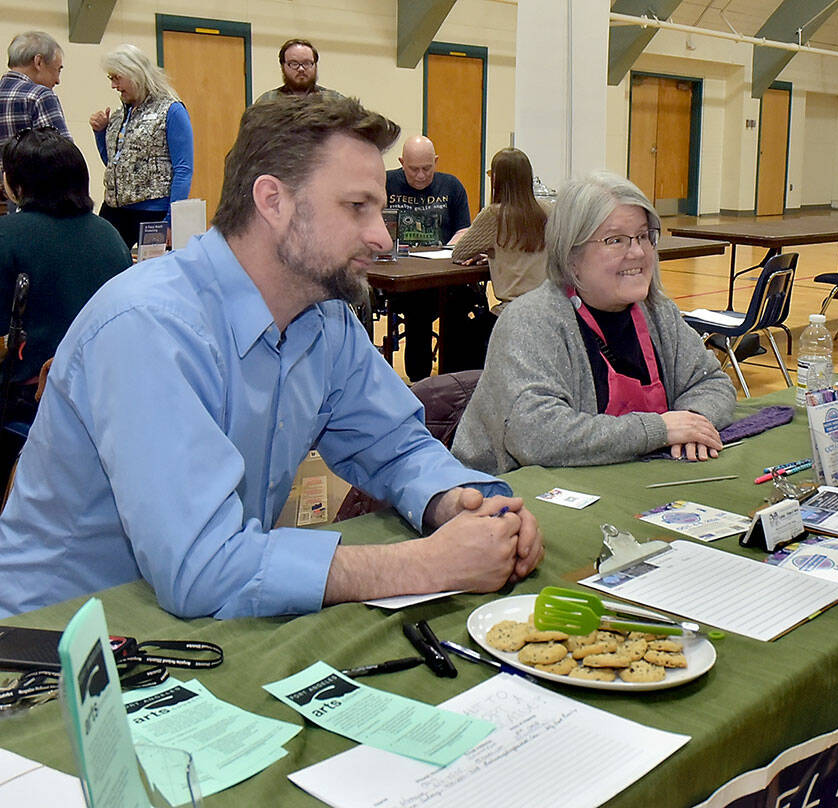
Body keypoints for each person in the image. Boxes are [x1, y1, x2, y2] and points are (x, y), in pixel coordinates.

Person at [0, 96, 543, 620]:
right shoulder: (149, 326)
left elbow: (395, 445)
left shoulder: (323, 317)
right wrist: (427, 564)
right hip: (53, 655)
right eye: (358, 207)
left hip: (186, 630)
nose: (381, 236)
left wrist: (467, 506)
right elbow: (202, 568)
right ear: (273, 202)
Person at [453, 171, 735, 474]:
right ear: (571, 255)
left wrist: (692, 421)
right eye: (616, 240)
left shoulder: (658, 313)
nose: (638, 252)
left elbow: (711, 382)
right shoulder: (529, 322)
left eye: (643, 236)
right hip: (513, 497)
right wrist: (659, 430)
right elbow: (535, 435)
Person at [0, 128, 130, 473]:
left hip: (28, 408)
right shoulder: (108, 234)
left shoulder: (8, 236)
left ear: (18, 184)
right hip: (104, 403)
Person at [89, 44, 193, 248]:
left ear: (135, 73)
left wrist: (171, 221)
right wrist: (100, 133)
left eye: (117, 78)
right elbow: (114, 165)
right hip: (114, 209)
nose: (113, 86)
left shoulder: (171, 110)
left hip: (153, 212)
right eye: (111, 79)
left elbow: (184, 169)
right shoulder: (119, 115)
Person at [385, 135, 471, 379]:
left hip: (440, 276)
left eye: (427, 168)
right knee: (419, 305)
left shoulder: (451, 186)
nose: (421, 176)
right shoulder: (386, 183)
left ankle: (454, 377)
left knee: (461, 301)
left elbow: (464, 230)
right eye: (413, 170)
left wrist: (450, 248)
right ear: (402, 162)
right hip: (399, 279)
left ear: (436, 161)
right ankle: (419, 377)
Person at [452, 147, 550, 307]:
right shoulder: (547, 210)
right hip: (546, 306)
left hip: (512, 311)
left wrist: (489, 253)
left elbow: (459, 253)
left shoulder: (494, 214)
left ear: (496, 179)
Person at [0, 31, 70, 146]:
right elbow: (64, 157)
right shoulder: (40, 96)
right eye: (57, 70)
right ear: (38, 62)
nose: (58, 81)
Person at [254, 39, 343, 104]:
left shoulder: (335, 101)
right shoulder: (267, 102)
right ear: (283, 66)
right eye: (293, 63)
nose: (301, 69)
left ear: (315, 65)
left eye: (307, 63)